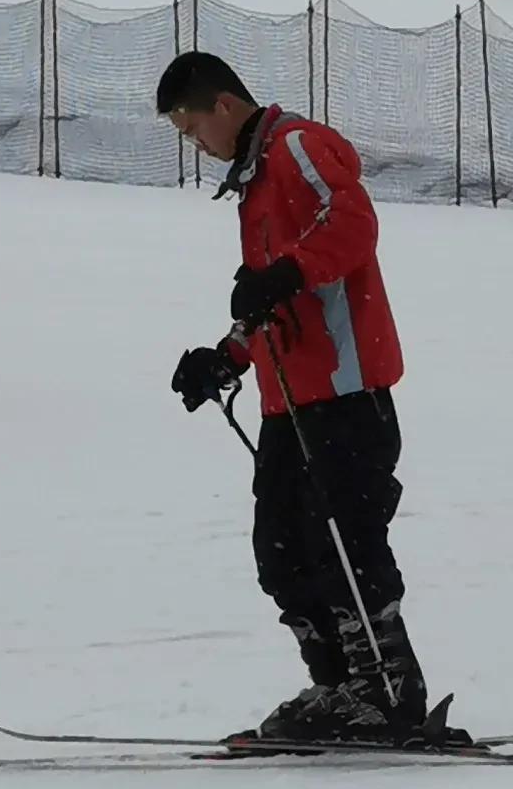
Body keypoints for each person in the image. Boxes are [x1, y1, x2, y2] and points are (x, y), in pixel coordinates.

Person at [159, 48, 442, 745]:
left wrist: (285, 269)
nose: (196, 145)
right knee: (282, 551)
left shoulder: (296, 147)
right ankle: (338, 686)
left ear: (224, 106)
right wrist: (225, 356)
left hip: (346, 391)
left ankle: (388, 690)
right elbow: (274, 300)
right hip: (290, 400)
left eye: (192, 128)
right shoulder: (254, 183)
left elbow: (352, 223)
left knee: (343, 541)